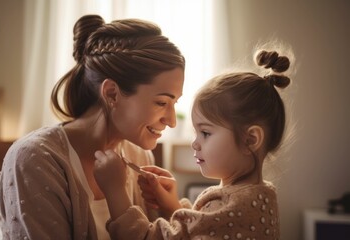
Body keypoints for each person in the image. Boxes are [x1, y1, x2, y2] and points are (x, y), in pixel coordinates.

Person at [0, 14, 185, 240]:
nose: (172, 121)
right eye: (162, 103)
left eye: (174, 104)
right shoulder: (35, 159)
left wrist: (171, 210)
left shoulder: (140, 156)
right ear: (111, 93)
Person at [94, 49, 293, 240]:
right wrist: (174, 206)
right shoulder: (260, 197)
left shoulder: (234, 205)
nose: (195, 144)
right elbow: (200, 233)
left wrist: (115, 191)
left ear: (250, 140)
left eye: (205, 133)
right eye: (196, 133)